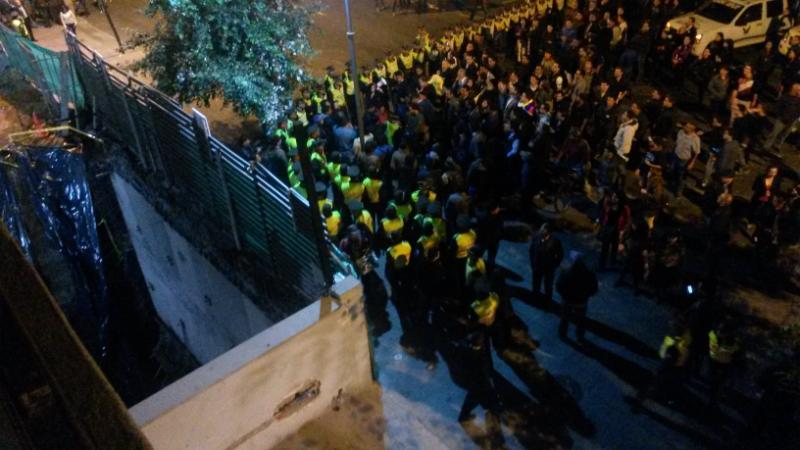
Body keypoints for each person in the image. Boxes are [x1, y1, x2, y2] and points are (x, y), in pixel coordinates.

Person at [556, 254, 598, 342]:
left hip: (567, 301)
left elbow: (559, 286)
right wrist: (586, 295)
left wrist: (564, 296)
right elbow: (594, 289)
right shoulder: (590, 275)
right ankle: (580, 336)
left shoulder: (566, 272)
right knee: (581, 321)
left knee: (564, 318)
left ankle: (562, 334)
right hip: (581, 302)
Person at [529, 222, 563, 303]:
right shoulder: (536, 237)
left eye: (543, 230)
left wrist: (554, 265)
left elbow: (560, 255)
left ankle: (548, 301)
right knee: (536, 283)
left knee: (548, 285)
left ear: (549, 232)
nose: (541, 231)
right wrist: (532, 262)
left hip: (548, 268)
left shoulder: (555, 242)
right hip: (537, 265)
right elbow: (531, 250)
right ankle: (535, 297)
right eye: (541, 229)